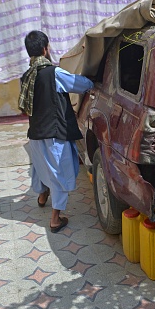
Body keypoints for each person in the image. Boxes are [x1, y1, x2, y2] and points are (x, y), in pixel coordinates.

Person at [19, 30, 94, 233]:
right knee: (60, 172)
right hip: (54, 134)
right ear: (45, 49)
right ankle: (55, 219)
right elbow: (81, 85)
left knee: (41, 167)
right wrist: (92, 80)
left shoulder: (26, 76)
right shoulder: (54, 73)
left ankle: (42, 196)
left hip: (35, 134)